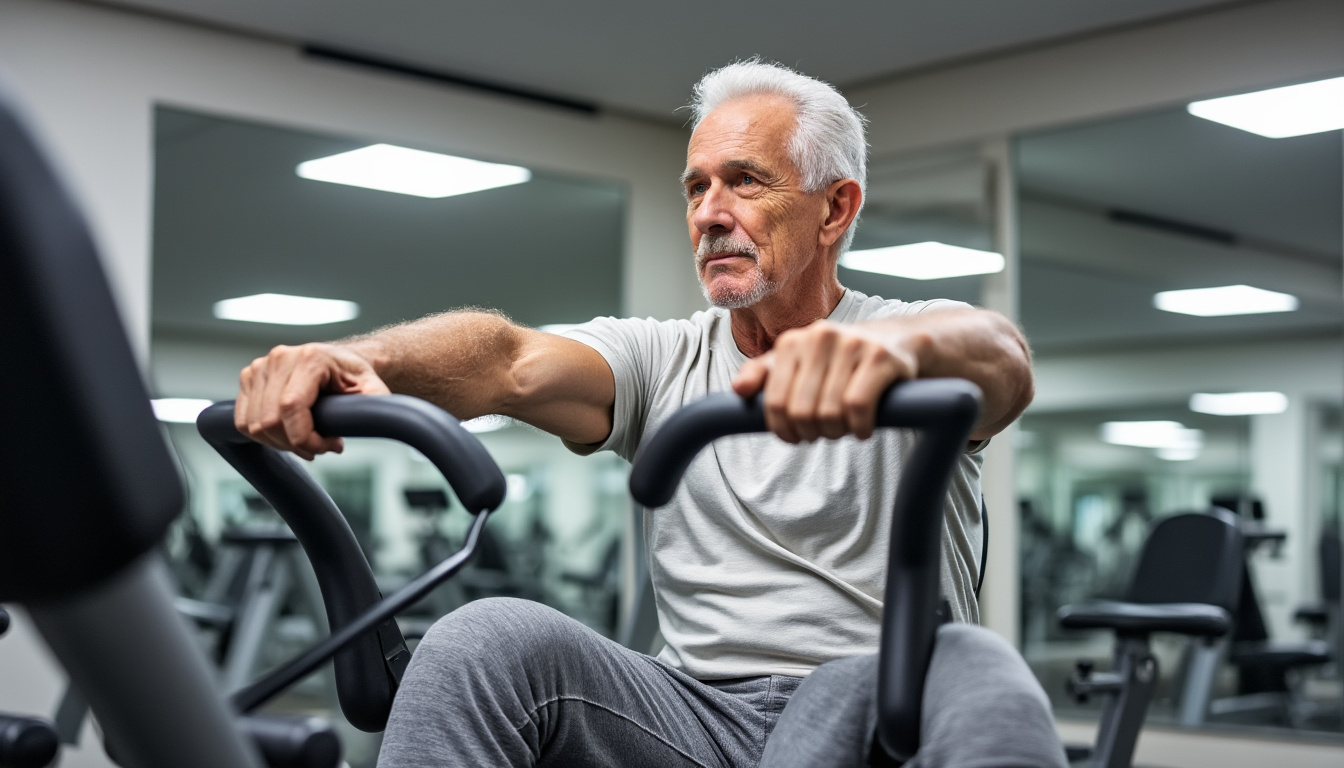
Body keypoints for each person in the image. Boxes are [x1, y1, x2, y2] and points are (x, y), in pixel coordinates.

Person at [234, 60, 1063, 768]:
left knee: (969, 663)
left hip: (867, 710)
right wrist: (356, 362)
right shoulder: (665, 357)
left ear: (834, 210)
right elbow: (508, 359)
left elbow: (1000, 360)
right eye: (696, 187)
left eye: (745, 180)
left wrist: (893, 358)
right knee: (480, 640)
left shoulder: (899, 337)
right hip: (688, 718)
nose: (708, 212)